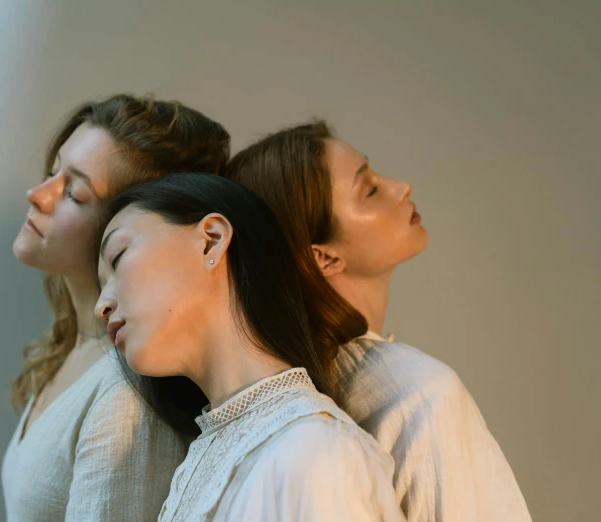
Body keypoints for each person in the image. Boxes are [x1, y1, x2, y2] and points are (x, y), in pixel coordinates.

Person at [223, 120, 532, 521]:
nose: (402, 186)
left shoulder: (276, 393)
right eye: (369, 190)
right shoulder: (419, 393)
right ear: (323, 257)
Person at [94, 173, 405, 521]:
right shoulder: (210, 457)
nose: (101, 306)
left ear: (211, 241)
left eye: (118, 257)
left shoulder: (314, 450)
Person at [3, 94, 230, 522]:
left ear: (124, 224)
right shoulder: (72, 348)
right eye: (53, 173)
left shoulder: (127, 403)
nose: (37, 195)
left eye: (73, 192)